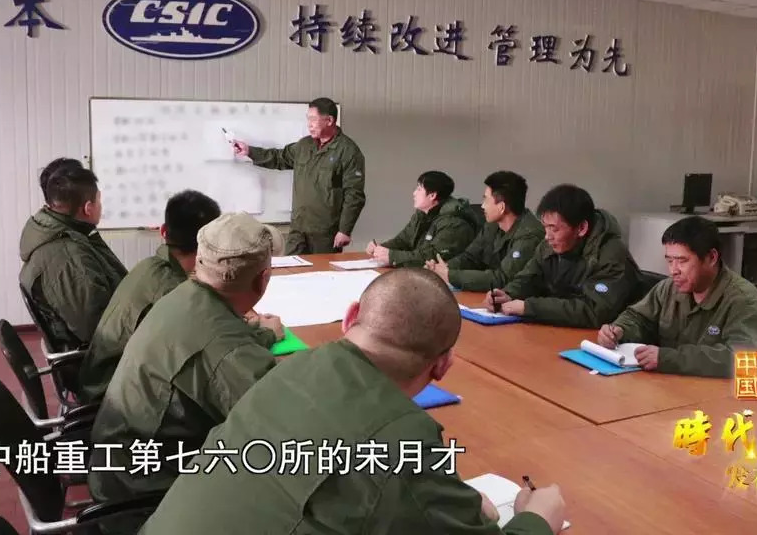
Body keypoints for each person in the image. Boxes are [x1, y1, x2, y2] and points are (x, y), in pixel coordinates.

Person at [138, 268, 567, 535]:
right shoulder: (404, 440)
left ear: (348, 319)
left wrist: (449, 504)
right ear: (442, 366)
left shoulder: (291, 368)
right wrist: (538, 518)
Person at [87, 212, 286, 529]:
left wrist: (263, 336)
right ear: (262, 279)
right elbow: (279, 428)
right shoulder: (228, 352)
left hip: (119, 464)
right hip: (145, 492)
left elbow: (216, 344)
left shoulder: (181, 295)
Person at [76, 189, 223, 404]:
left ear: (163, 231)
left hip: (101, 376)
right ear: (212, 243)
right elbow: (211, 349)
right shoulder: (176, 294)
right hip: (115, 394)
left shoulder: (149, 266)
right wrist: (261, 331)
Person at [596, 216, 757, 377]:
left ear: (711, 257)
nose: (674, 271)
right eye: (669, 261)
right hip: (671, 386)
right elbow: (638, 317)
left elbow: (745, 359)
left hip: (718, 394)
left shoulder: (743, 300)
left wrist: (669, 359)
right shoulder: (669, 288)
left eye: (682, 261)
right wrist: (619, 330)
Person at [485, 184, 640, 329]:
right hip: (560, 330)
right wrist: (508, 294)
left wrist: (530, 307)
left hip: (605, 339)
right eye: (545, 227)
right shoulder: (549, 245)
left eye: (554, 229)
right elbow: (529, 277)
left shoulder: (611, 254)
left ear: (581, 228)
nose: (547, 236)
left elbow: (594, 311)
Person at [230, 97, 366, 255]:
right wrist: (250, 151)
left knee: (321, 270)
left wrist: (345, 230)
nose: (309, 124)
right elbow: (279, 157)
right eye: (308, 119)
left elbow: (354, 194)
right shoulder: (304, 145)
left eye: (313, 119)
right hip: (299, 227)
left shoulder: (348, 151)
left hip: (326, 232)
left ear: (329, 120)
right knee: (290, 266)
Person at [19, 160, 127, 348]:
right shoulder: (70, 258)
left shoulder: (61, 235)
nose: (101, 206)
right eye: (99, 200)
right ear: (88, 208)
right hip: (104, 357)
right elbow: (100, 333)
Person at [426, 170, 543, 292]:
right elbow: (470, 257)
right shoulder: (492, 225)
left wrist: (450, 275)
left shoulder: (530, 235)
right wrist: (441, 268)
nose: (482, 206)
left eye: (486, 200)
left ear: (501, 207)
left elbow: (502, 279)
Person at [367, 170, 479, 268]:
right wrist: (380, 248)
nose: (414, 193)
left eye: (419, 189)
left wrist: (392, 257)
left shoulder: (454, 223)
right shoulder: (422, 214)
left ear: (432, 195)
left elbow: (432, 258)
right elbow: (403, 240)